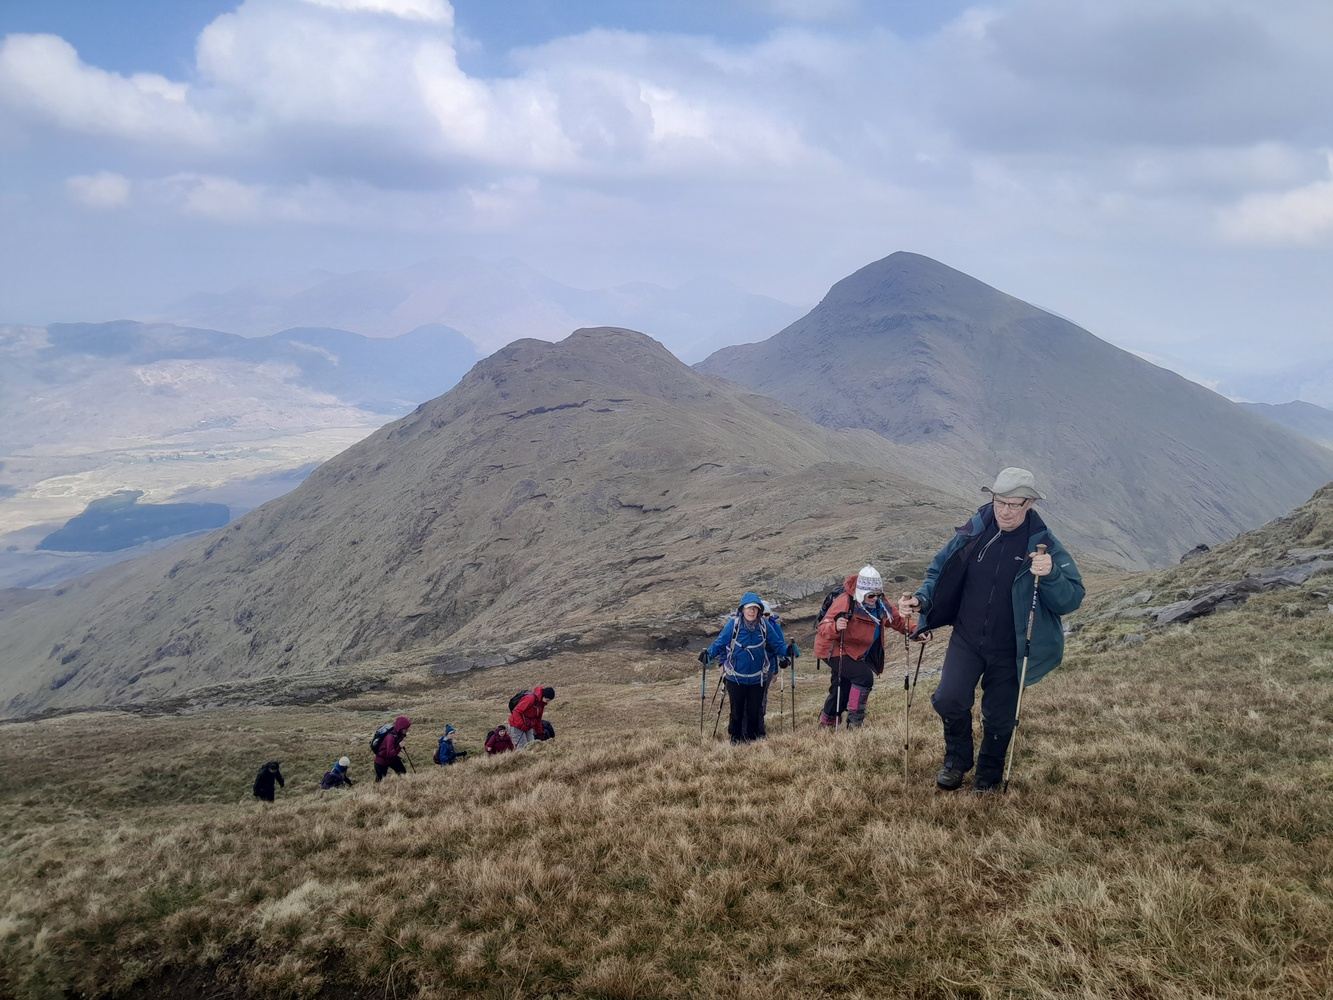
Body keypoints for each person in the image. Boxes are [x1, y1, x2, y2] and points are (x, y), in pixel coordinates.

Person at [899, 468, 1084, 792]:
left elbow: (1071, 599)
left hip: (1012, 647)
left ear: (1029, 504)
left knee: (999, 717)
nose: (1005, 511)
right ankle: (957, 761)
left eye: (1014, 504)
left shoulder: (1043, 545)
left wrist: (1051, 573)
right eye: (1000, 502)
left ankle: (988, 776)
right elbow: (939, 570)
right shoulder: (975, 530)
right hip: (967, 639)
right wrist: (922, 599)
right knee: (948, 699)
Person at [814, 566, 909, 728]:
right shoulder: (845, 601)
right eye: (870, 595)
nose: (874, 598)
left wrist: (916, 631)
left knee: (841, 688)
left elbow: (896, 620)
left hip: (855, 651)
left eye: (878, 594)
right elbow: (823, 627)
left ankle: (826, 723)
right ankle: (855, 723)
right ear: (861, 592)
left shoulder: (880, 603)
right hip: (833, 648)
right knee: (863, 677)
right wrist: (836, 626)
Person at [700, 591, 787, 743]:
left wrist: (788, 652)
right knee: (737, 711)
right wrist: (708, 655)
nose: (752, 611)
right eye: (749, 608)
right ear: (742, 609)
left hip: (757, 679)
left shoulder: (764, 625)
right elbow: (720, 643)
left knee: (754, 711)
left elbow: (777, 644)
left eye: (755, 608)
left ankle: (752, 740)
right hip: (735, 678)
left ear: (759, 610)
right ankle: (735, 739)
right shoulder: (733, 625)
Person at [373, 715, 412, 782]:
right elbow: (390, 754)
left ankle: (405, 786)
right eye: (405, 728)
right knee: (380, 781)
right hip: (381, 761)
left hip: (391, 759)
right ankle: (375, 791)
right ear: (401, 728)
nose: (407, 730)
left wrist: (399, 746)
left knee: (403, 773)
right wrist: (399, 746)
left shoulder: (398, 734)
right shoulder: (390, 737)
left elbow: (392, 754)